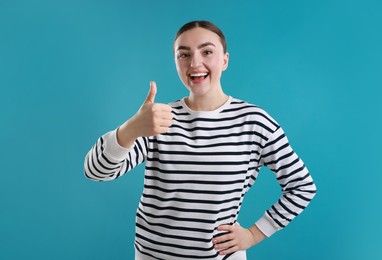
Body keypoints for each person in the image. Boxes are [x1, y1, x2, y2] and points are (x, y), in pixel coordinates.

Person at [84, 20, 317, 260]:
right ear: (176, 62)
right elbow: (95, 171)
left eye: (207, 52)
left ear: (225, 60)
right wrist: (130, 128)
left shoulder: (254, 122)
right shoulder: (158, 118)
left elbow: (302, 186)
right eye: (184, 55)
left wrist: (254, 235)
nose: (195, 63)